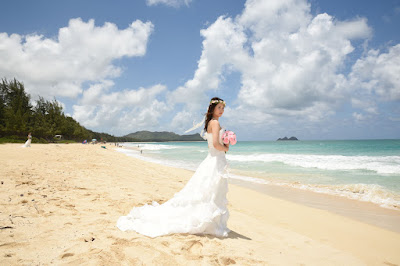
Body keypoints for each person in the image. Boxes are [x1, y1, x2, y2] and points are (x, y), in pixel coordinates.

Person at [117, 97, 230, 238]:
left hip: (212, 160)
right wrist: (226, 146)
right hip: (215, 160)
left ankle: (208, 220)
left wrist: (225, 143)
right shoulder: (215, 123)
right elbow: (215, 145)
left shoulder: (211, 123)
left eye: (223, 108)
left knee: (208, 190)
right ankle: (208, 220)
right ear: (212, 109)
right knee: (210, 190)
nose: (221, 110)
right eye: (219, 107)